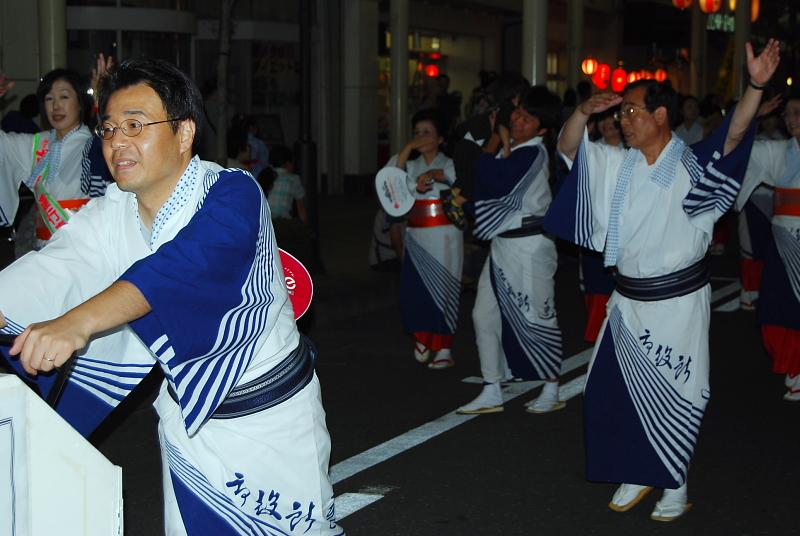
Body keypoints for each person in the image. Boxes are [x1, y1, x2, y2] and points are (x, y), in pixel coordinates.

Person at [0, 58, 343, 535]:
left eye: (136, 125)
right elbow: (51, 270)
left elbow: (183, 266)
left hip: (274, 425)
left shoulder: (234, 193)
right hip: (188, 425)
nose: (117, 141)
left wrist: (76, 323)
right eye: (109, 128)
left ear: (184, 133)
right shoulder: (110, 215)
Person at [545, 40, 779, 521]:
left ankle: (675, 483)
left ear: (661, 116)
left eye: (632, 111)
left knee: (677, 392)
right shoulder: (616, 164)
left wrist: (755, 85)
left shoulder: (691, 166)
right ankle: (639, 467)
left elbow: (734, 136)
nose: (622, 120)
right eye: (621, 111)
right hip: (628, 299)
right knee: (609, 390)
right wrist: (583, 110)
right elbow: (569, 149)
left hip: (677, 302)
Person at [456, 86, 565, 415]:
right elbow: (492, 186)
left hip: (530, 247)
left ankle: (552, 386)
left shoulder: (531, 153)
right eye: (518, 113)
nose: (517, 120)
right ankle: (492, 388)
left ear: (542, 129)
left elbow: (492, 180)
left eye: (528, 117)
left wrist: (492, 142)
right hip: (506, 244)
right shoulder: (518, 151)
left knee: (538, 317)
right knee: (483, 314)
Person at [0, 59, 113, 263]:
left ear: (80, 103)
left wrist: (103, 100)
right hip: (44, 251)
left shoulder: (92, 145)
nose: (56, 106)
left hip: (83, 254)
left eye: (64, 96)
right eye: (49, 98)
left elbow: (110, 142)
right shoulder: (37, 144)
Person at [379, 109, 462, 369]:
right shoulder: (411, 164)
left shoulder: (450, 162)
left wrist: (439, 175)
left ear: (440, 139)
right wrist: (408, 149)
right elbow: (389, 179)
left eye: (427, 133)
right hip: (416, 235)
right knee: (414, 290)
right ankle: (421, 336)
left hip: (446, 235)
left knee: (445, 290)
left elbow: (462, 180)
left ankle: (444, 347)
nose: (421, 138)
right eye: (416, 133)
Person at [737, 90, 800, 400]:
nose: (791, 119)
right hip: (784, 241)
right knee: (775, 314)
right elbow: (738, 148)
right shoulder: (778, 151)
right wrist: (753, 117)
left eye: (797, 112)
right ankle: (794, 367)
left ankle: (796, 370)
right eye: (787, 113)